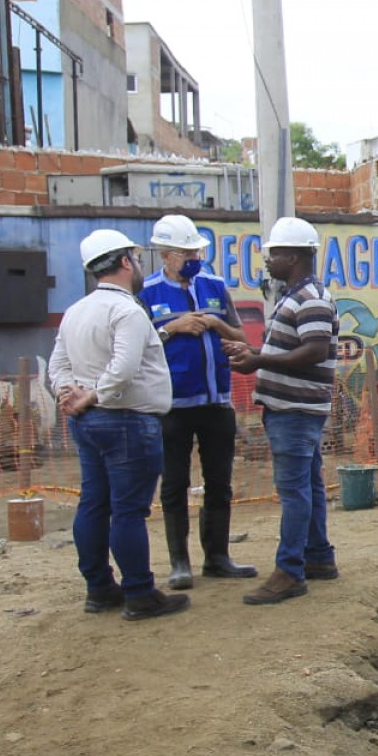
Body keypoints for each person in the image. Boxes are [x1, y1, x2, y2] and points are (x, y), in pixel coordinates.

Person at [48, 229, 188, 620]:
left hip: (89, 422)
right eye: (136, 259)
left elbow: (58, 365)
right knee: (128, 511)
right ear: (125, 261)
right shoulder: (128, 311)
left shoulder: (76, 311)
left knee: (94, 503)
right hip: (127, 420)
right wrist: (92, 395)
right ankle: (140, 593)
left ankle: (99, 589)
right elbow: (124, 369)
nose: (139, 265)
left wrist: (69, 393)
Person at [139, 213, 255, 589]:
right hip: (172, 406)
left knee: (219, 482)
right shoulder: (148, 292)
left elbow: (240, 335)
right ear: (165, 255)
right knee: (174, 484)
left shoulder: (215, 285)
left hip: (216, 402)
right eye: (185, 253)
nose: (193, 258)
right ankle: (179, 563)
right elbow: (138, 345)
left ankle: (217, 558)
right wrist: (171, 328)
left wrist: (216, 324)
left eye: (196, 252)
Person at [228, 218, 336, 606]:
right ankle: (318, 556)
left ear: (292, 257)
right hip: (293, 407)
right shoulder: (297, 296)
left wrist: (258, 361)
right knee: (308, 486)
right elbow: (294, 348)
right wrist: (255, 354)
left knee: (294, 491)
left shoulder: (311, 298)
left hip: (296, 409)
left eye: (273, 254)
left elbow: (314, 350)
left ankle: (290, 570)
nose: (268, 260)